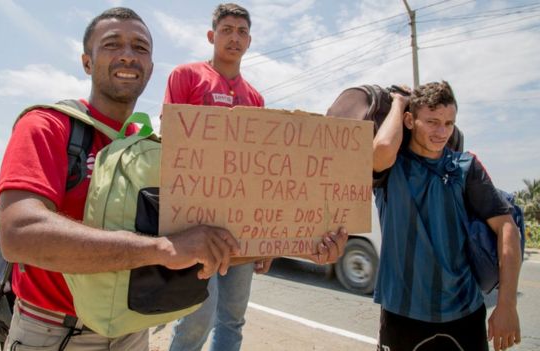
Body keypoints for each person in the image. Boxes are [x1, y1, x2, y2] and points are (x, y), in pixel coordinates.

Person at [0, 8, 243, 351]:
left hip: (132, 332)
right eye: (112, 44)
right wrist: (160, 249)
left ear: (151, 69)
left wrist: (291, 240)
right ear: (87, 61)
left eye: (140, 48)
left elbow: (201, 232)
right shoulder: (47, 126)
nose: (128, 54)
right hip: (53, 333)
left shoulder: (156, 149)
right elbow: (18, 235)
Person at [163, 3, 347, 351]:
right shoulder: (186, 77)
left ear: (249, 41)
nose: (235, 37)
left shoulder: (255, 98)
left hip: (241, 232)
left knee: (232, 319)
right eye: (227, 29)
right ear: (211, 35)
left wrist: (267, 241)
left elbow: (260, 173)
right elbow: (171, 147)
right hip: (195, 225)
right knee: (196, 316)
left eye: (242, 32)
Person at [372, 81, 522, 351]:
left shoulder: (465, 167)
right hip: (402, 315)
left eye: (449, 123)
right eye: (432, 122)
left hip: (465, 313)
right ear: (409, 121)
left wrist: (507, 304)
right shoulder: (392, 169)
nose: (441, 132)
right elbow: (381, 149)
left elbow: (507, 228)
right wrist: (398, 102)